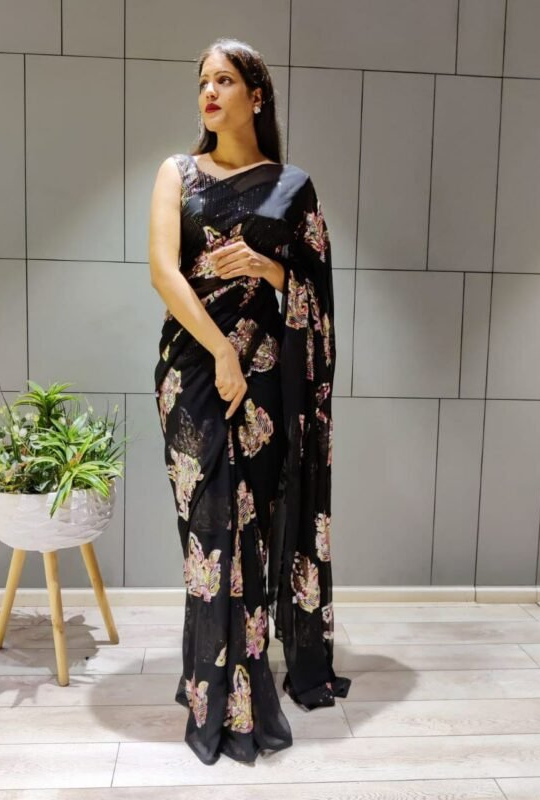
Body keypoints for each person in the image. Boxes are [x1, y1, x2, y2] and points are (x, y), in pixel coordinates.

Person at [148, 36, 352, 766]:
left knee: (252, 535)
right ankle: (211, 689)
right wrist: (222, 352)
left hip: (266, 385)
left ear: (256, 95)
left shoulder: (293, 188)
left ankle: (241, 691)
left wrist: (270, 269)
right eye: (203, 81)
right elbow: (164, 273)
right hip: (195, 376)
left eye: (225, 80)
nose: (209, 92)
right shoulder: (176, 173)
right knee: (208, 536)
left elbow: (315, 295)